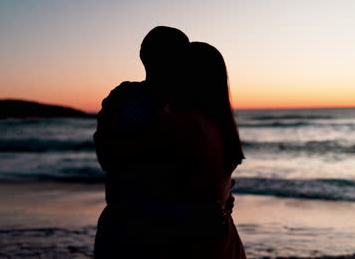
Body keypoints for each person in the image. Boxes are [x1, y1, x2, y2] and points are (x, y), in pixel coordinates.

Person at [94, 27, 246, 258]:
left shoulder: (175, 117)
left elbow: (115, 161)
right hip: (212, 238)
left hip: (154, 237)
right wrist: (219, 203)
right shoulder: (216, 121)